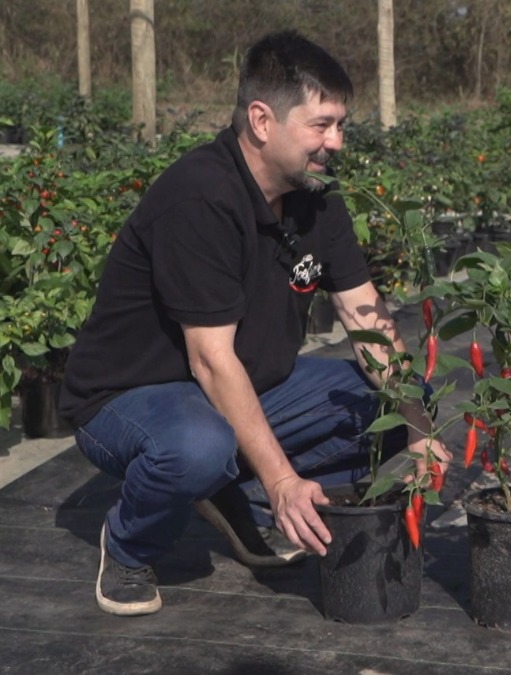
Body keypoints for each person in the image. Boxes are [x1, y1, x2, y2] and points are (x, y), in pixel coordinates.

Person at [60, 30, 450, 617]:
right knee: (197, 445)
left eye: (341, 125)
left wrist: (419, 427)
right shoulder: (199, 198)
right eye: (321, 125)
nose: (337, 142)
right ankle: (128, 544)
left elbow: (365, 317)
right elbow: (210, 361)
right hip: (132, 396)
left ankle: (230, 490)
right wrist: (283, 482)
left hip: (246, 385)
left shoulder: (315, 199)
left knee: (396, 399)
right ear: (263, 121)